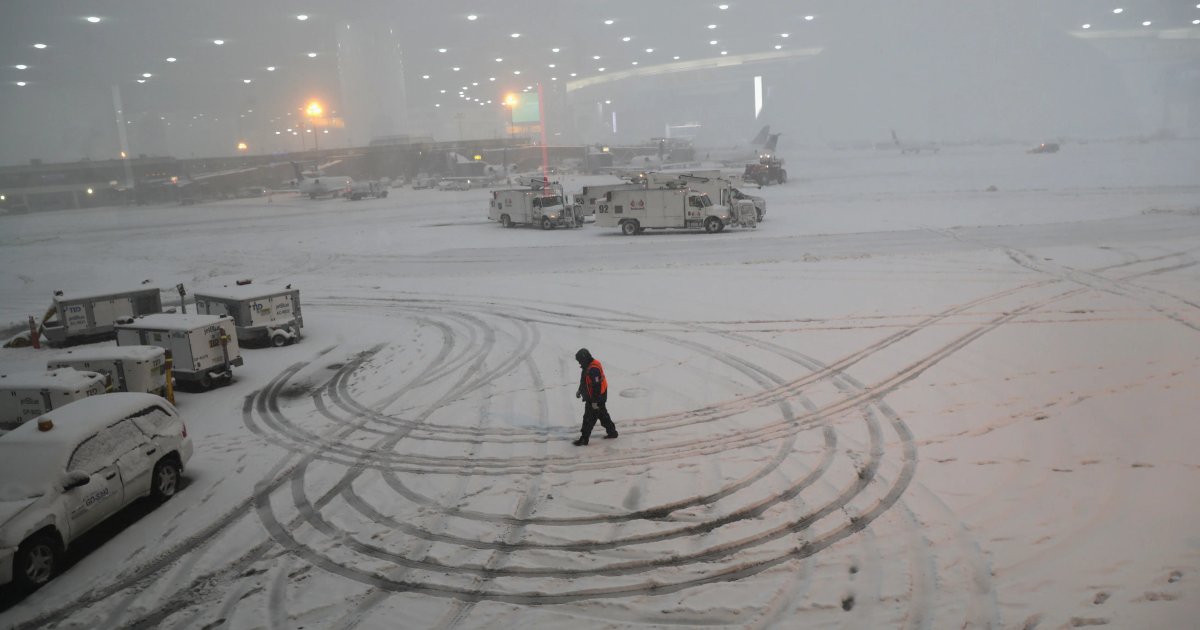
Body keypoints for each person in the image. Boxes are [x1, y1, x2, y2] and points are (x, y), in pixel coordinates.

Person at [573, 348, 617, 446]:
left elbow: (597, 387)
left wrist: (594, 402)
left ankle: (584, 439)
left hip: (596, 398)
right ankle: (612, 432)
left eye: (580, 360)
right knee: (602, 414)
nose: (579, 363)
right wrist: (580, 390)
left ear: (584, 358)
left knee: (589, 418)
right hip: (596, 397)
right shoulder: (587, 365)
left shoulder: (593, 369)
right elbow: (584, 380)